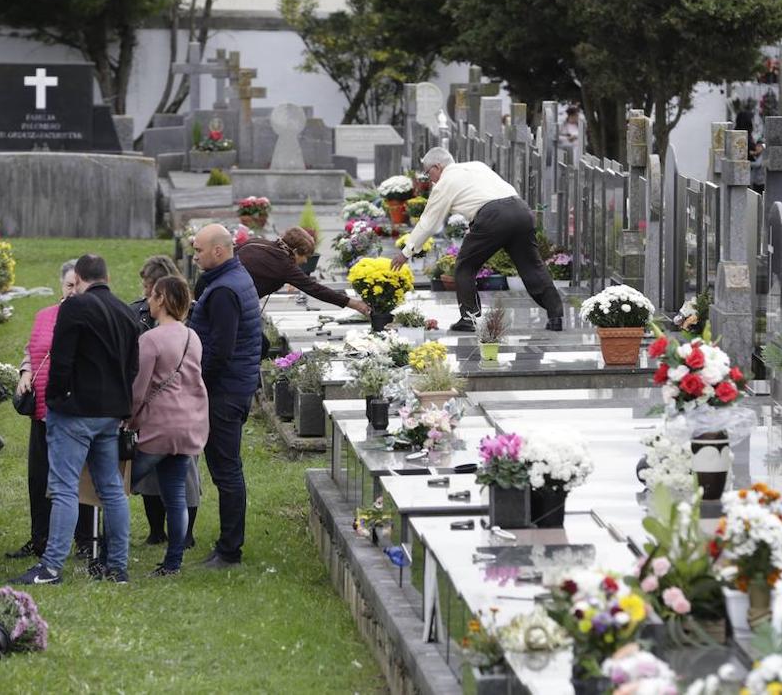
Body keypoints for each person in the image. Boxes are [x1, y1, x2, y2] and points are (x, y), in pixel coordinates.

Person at [13, 253, 141, 585]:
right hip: (111, 412)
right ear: (107, 277)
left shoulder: (74, 306)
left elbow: (63, 360)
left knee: (65, 488)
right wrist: (122, 406)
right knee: (111, 488)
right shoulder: (127, 311)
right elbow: (132, 367)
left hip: (74, 411)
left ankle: (51, 567)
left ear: (80, 278)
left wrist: (54, 399)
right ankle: (118, 566)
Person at [394, 146, 564, 332]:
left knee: (465, 266)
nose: (430, 180)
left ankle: (469, 318)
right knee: (532, 266)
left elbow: (428, 222)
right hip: (521, 210)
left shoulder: (445, 182)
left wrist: (406, 252)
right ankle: (556, 315)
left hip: (493, 216)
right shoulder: (477, 165)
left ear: (438, 166)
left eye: (428, 174)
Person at [8, 261, 97, 562]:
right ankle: (40, 538)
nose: (73, 291)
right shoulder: (44, 316)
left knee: (78, 477)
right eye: (68, 286)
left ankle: (85, 539)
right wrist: (24, 372)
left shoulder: (91, 317)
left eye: (77, 285)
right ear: (61, 286)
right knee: (39, 477)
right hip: (43, 408)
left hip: (74, 410)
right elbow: (32, 350)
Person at [188, 224, 262, 568]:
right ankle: (229, 544)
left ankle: (230, 549)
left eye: (199, 251)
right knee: (227, 467)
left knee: (226, 469)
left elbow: (219, 350)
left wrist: (196, 383)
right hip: (236, 385)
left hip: (224, 392)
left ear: (219, 251)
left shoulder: (223, 291)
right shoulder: (236, 277)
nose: (195, 256)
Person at [128, 276, 208, 576]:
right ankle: (173, 562)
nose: (147, 299)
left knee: (115, 487)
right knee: (175, 495)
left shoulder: (150, 339)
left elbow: (139, 388)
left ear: (161, 299)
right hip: (188, 425)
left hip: (158, 427)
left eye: (152, 295)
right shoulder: (192, 337)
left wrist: (130, 420)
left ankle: (111, 553)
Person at [235, 227, 369, 315]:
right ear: (295, 251)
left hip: (223, 292)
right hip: (235, 305)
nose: (305, 261)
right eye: (305, 256)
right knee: (259, 346)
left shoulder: (257, 242)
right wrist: (355, 304)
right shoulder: (285, 265)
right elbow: (315, 289)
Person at [131, 255, 181, 332]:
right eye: (144, 286)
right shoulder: (134, 314)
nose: (145, 293)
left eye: (147, 287)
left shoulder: (191, 315)